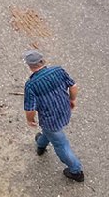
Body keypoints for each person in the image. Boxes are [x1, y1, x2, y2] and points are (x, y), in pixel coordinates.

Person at [22, 50, 84, 183]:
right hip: (65, 110)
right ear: (43, 60)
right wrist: (72, 99)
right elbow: (73, 86)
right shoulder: (58, 71)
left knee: (61, 145)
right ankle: (41, 144)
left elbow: (30, 108)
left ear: (30, 66)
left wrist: (30, 120)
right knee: (49, 133)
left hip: (50, 120)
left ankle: (76, 171)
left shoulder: (31, 85)